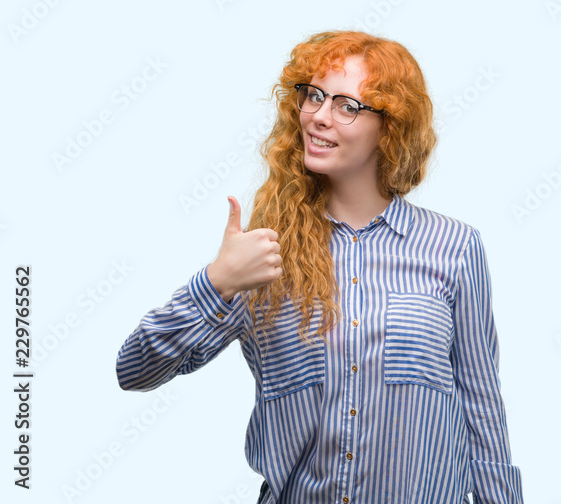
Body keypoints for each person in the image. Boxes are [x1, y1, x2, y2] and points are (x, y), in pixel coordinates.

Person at [115, 30, 523, 504]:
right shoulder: (265, 254)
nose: (319, 118)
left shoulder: (454, 248)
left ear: (389, 128)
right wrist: (216, 282)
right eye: (314, 97)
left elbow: (481, 411)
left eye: (347, 106)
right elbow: (135, 370)